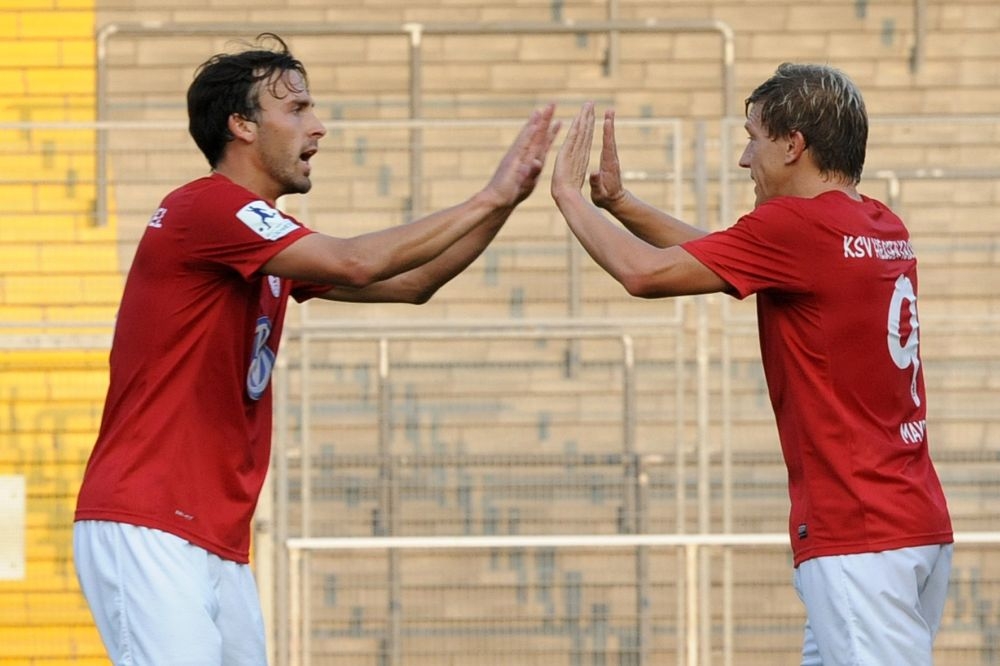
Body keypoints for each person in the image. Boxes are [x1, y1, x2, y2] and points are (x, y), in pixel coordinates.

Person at [73, 33, 558, 665]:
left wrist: (507, 201)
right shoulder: (207, 207)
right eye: (297, 109)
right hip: (147, 519)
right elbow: (356, 262)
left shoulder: (266, 238)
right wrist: (486, 195)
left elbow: (413, 285)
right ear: (241, 125)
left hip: (213, 534)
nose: (318, 127)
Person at [550, 63, 953, 665]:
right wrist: (621, 204)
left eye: (753, 137)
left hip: (857, 534)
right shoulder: (878, 223)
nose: (745, 158)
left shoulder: (796, 227)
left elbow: (642, 273)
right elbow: (721, 256)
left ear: (794, 145)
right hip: (912, 523)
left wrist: (568, 198)